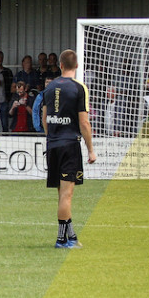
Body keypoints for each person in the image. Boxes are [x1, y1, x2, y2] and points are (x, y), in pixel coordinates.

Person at [42, 49, 96, 249]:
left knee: (61, 193)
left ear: (61, 65)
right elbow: (84, 123)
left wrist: (51, 137)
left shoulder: (49, 87)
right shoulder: (79, 88)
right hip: (69, 145)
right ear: (77, 66)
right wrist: (91, 150)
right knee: (67, 194)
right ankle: (61, 239)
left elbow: (44, 117)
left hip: (53, 144)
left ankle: (70, 236)